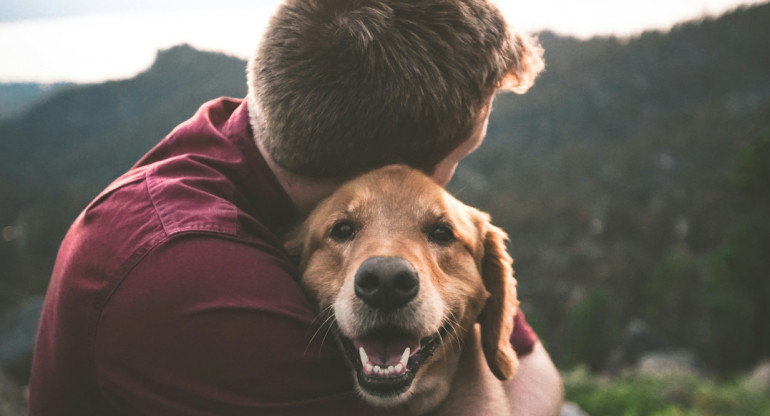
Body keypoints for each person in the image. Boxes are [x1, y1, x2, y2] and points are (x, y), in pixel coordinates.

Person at [29, 0, 562, 414]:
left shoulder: (259, 140)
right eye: (462, 154)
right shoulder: (192, 276)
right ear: (391, 168)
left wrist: (463, 320)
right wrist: (462, 335)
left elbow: (536, 369)